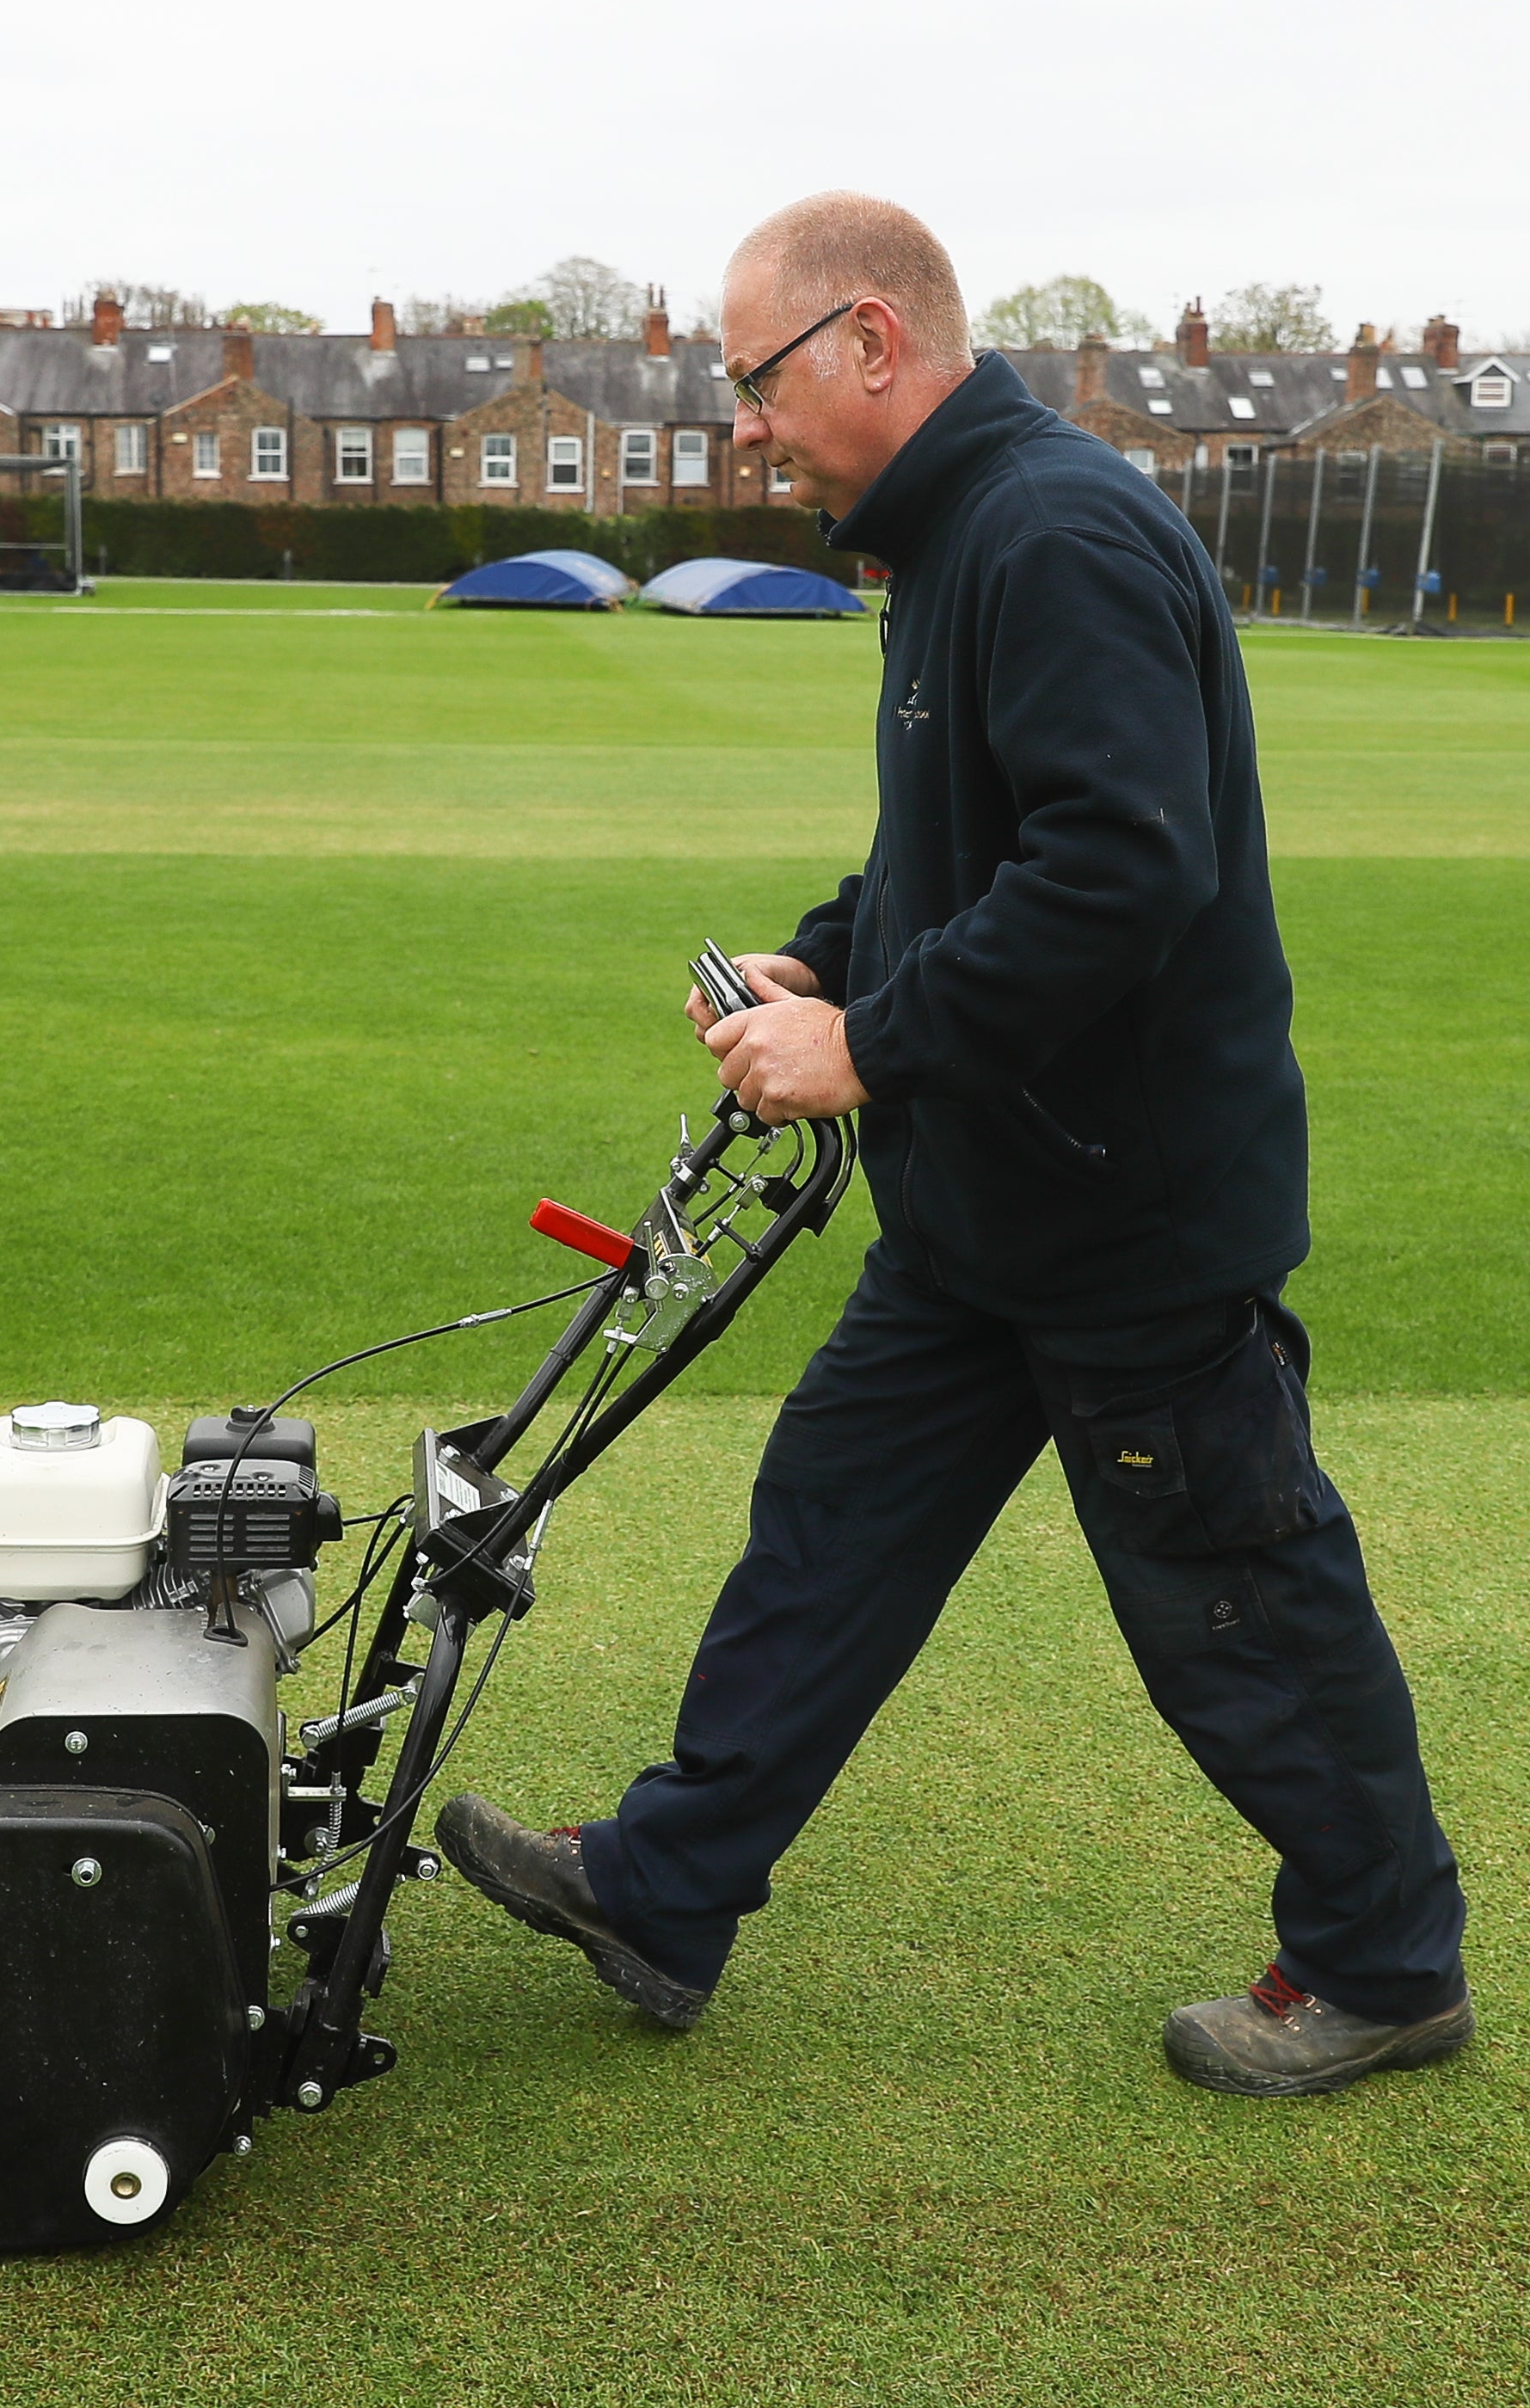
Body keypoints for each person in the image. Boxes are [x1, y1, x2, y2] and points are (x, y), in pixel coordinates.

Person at [437, 191, 1472, 2098]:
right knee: (823, 1538)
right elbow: (962, 854)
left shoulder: (1050, 533)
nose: (741, 423)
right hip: (982, 1201)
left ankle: (1384, 1961)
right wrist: (822, 961)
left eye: (751, 378)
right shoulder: (957, 542)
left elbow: (1114, 872)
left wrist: (869, 1043)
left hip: (1120, 1217)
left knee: (1236, 1601)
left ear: (865, 343)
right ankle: (664, 1890)